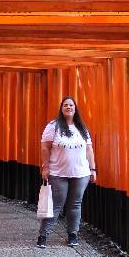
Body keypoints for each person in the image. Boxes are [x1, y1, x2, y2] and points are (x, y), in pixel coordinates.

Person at [37, 96, 97, 248]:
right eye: (65, 105)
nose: (69, 107)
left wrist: (93, 169)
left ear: (75, 108)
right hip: (58, 173)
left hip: (81, 173)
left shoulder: (82, 127)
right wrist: (45, 167)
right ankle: (43, 236)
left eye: (71, 105)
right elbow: (45, 147)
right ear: (61, 108)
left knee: (75, 204)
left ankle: (72, 235)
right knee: (56, 204)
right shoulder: (54, 126)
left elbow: (89, 149)